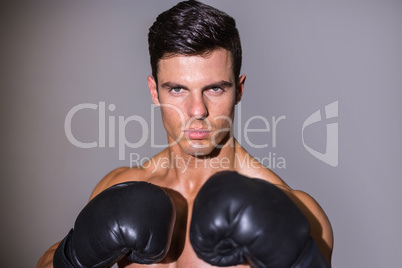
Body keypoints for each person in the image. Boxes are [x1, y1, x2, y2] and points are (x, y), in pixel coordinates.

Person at [38, 1, 333, 267]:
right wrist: (72, 258)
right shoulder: (121, 187)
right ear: (155, 91)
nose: (197, 110)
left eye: (214, 88)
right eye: (177, 89)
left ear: (239, 89)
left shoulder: (293, 211)